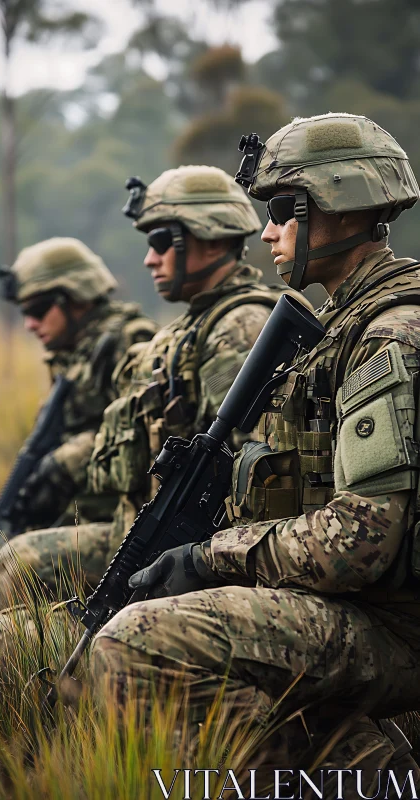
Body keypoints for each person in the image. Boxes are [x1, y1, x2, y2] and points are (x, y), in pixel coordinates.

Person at [89, 115, 420, 779]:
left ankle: (351, 780)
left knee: (138, 642)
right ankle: (357, 765)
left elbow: (361, 541)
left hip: (395, 625)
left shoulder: (393, 336)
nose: (266, 232)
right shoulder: (341, 326)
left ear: (338, 207)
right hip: (357, 607)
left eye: (280, 211)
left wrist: (209, 557)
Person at [0, 164, 306, 621]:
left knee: (16, 567)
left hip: (189, 543)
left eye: (161, 241)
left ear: (210, 238)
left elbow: (245, 457)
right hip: (138, 526)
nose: (150, 259)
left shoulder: (240, 325)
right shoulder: (191, 327)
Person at [0, 237, 158, 609]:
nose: (30, 324)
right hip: (77, 512)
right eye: (25, 312)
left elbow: (148, 429)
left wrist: (68, 460)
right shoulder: (71, 355)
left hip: (124, 519)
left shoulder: (130, 343)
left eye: (39, 309)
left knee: (9, 567)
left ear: (76, 296)